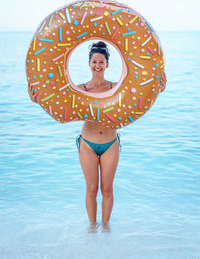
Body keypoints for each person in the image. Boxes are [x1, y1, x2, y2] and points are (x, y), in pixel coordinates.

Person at [28, 41, 167, 233]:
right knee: (92, 189)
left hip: (110, 143)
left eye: (101, 62)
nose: (98, 65)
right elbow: (57, 105)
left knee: (107, 188)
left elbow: (140, 94)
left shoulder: (117, 87)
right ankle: (92, 229)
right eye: (94, 62)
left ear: (107, 64)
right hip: (87, 143)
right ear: (89, 63)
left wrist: (158, 89)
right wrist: (37, 100)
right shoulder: (80, 89)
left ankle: (107, 229)